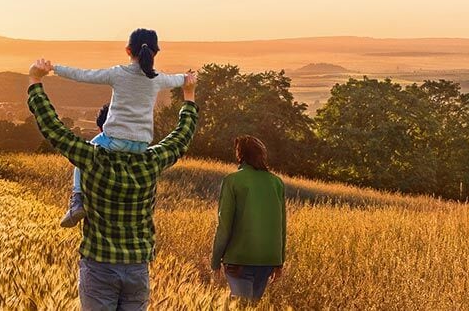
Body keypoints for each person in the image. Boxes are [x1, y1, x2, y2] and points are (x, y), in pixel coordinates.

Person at [27, 58, 199, 310]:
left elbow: (53, 129)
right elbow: (182, 136)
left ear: (110, 124)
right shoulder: (151, 162)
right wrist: (189, 94)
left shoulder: (94, 157)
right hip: (137, 268)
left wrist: (35, 81)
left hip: (99, 266)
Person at [32, 28, 196, 228]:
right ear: (156, 52)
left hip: (113, 140)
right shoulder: (158, 78)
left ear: (128, 50)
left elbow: (83, 75)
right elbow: (182, 80)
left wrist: (53, 68)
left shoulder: (118, 73)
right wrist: (189, 84)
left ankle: (77, 199)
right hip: (141, 146)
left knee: (81, 160)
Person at [210, 135, 287, 303]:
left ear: (240, 154)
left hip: (239, 259)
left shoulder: (232, 181)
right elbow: (282, 226)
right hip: (267, 260)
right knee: (252, 305)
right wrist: (279, 261)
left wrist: (215, 261)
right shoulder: (276, 182)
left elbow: (224, 225)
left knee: (240, 306)